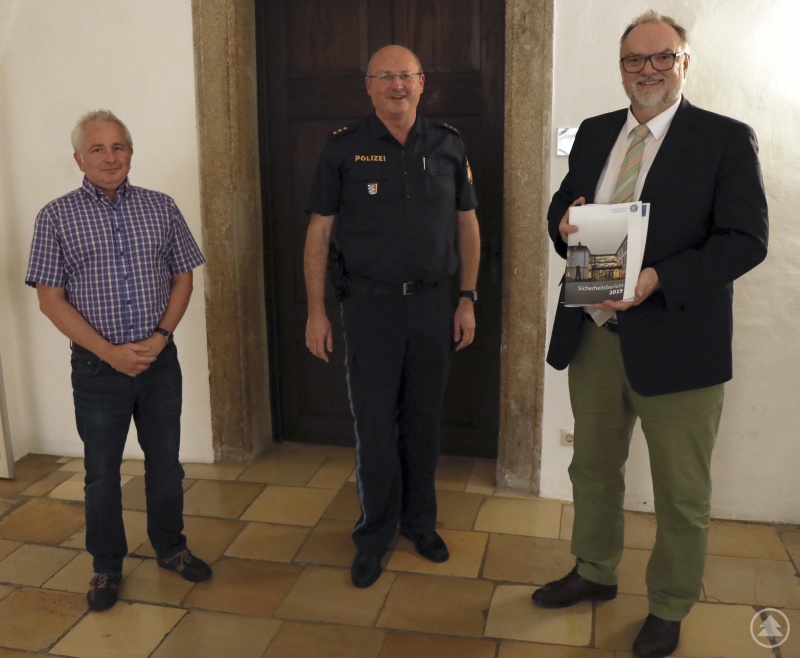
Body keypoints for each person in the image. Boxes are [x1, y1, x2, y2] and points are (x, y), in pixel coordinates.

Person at [534, 11, 768, 658]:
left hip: (680, 345)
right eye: (636, 59)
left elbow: (746, 241)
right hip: (594, 335)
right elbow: (564, 206)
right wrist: (563, 224)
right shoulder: (595, 133)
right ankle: (594, 569)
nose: (649, 69)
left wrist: (659, 277)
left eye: (663, 56)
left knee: (682, 493)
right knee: (592, 468)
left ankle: (669, 605)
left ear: (685, 62)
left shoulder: (724, 139)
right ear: (621, 68)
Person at [304, 45, 480, 589]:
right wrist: (316, 311)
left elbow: (468, 224)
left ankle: (420, 524)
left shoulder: (448, 144)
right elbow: (319, 233)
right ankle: (374, 534)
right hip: (369, 308)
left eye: (406, 75)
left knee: (424, 421)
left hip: (432, 305)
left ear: (422, 82)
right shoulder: (343, 147)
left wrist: (467, 297)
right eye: (385, 76)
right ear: (369, 86)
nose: (396, 85)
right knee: (375, 426)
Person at [25, 110, 212, 612]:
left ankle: (171, 548)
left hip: (158, 364)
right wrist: (109, 352)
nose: (110, 158)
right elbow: (50, 300)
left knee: (165, 465)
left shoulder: (161, 207)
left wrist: (160, 338)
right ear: (78, 159)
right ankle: (106, 565)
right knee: (101, 474)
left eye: (118, 147)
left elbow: (183, 276)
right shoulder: (55, 217)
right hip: (97, 370)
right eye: (97, 149)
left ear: (131, 152)